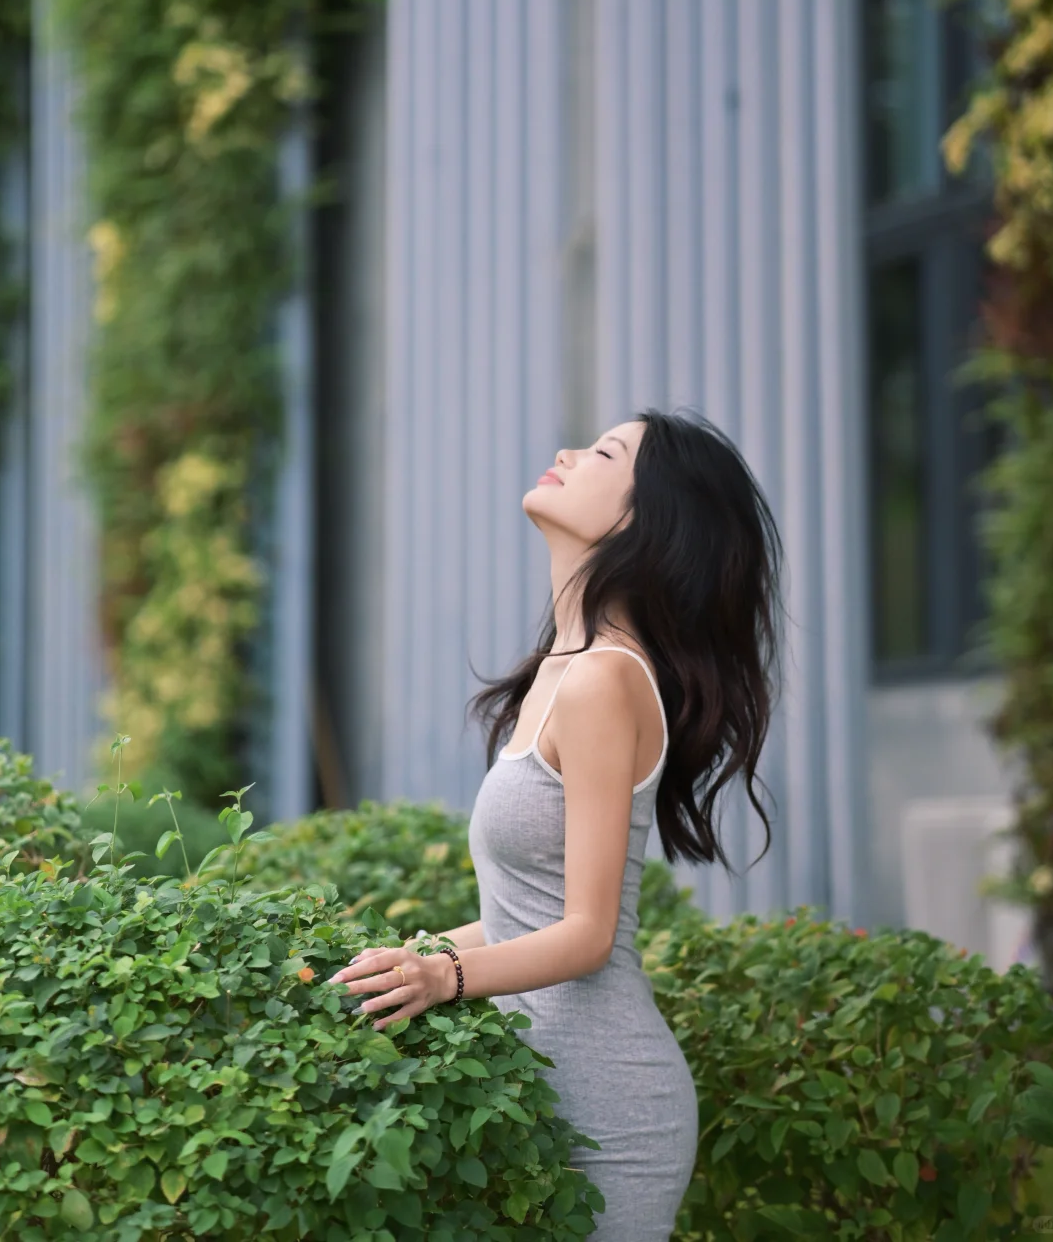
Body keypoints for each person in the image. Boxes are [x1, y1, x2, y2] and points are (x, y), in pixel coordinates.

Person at [327, 408, 785, 1241]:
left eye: (605, 453)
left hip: (610, 1109)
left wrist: (440, 978)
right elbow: (523, 916)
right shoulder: (563, 671)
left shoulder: (604, 681)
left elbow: (587, 935)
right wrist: (405, 961)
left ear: (647, 520)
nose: (568, 453)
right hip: (535, 1088)